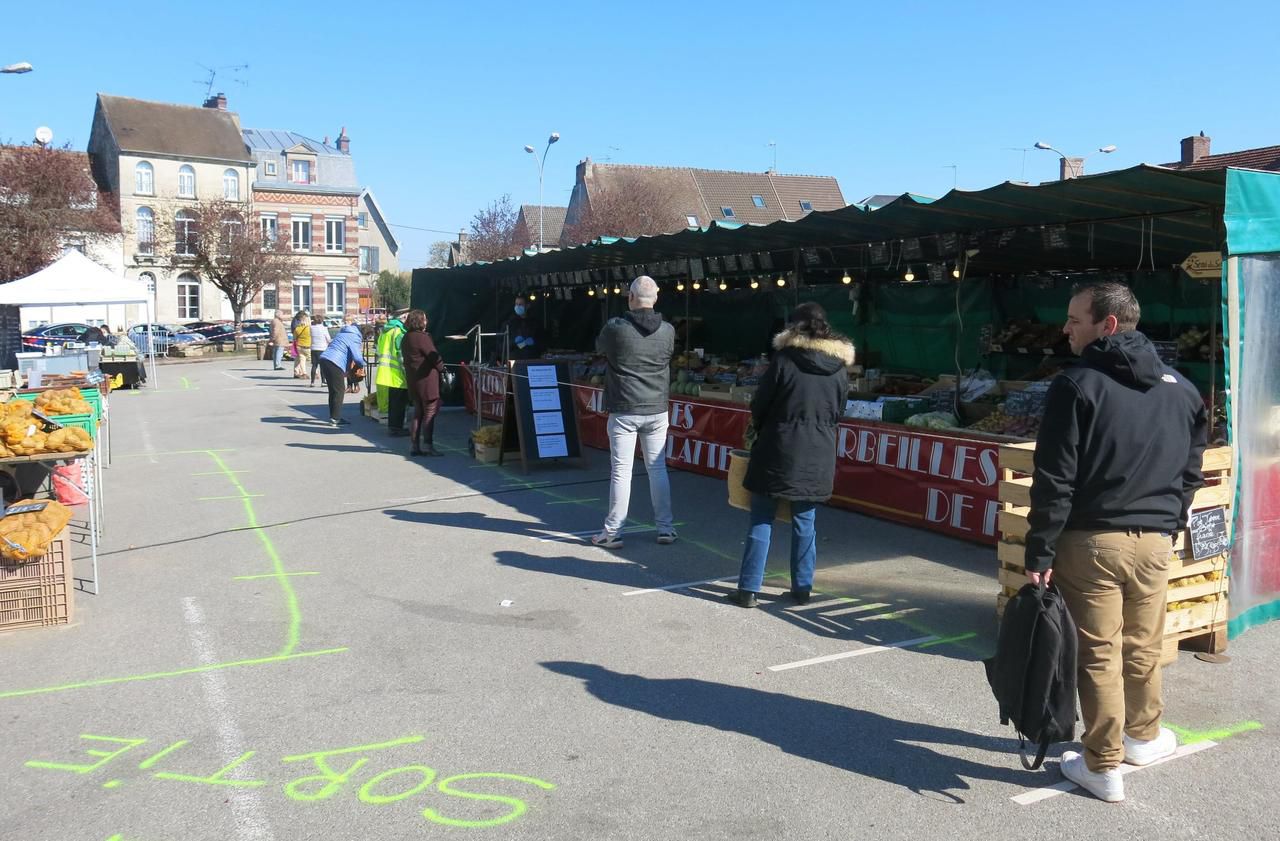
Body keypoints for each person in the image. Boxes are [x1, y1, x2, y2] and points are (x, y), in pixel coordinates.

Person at [1024, 281, 1207, 803]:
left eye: (1074, 319)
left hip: (1092, 543)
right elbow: (1191, 470)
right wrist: (1169, 520)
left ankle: (1103, 764)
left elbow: (1054, 478)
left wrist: (1038, 551)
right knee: (1143, 644)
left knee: (1099, 653)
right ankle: (1143, 737)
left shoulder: (1076, 385)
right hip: (1155, 542)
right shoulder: (1183, 388)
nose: (1065, 328)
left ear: (1107, 324)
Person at [726, 302, 853, 608]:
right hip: (818, 451)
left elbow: (760, 405)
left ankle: (748, 590)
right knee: (805, 522)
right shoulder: (839, 369)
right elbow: (839, 411)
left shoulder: (783, 361)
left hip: (778, 447)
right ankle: (802, 588)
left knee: (761, 518)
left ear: (794, 328)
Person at [590, 276, 677, 549]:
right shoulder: (668, 330)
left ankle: (613, 531)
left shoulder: (615, 328)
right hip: (656, 408)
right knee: (657, 469)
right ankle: (666, 528)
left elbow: (598, 348)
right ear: (656, 297)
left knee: (621, 471)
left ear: (630, 297)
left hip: (624, 408)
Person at [401, 309, 447, 457]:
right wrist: (443, 369)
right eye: (425, 319)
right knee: (430, 412)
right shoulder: (422, 338)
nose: (426, 321)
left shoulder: (406, 338)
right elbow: (434, 357)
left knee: (418, 413)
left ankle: (414, 446)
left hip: (413, 380)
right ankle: (428, 445)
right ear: (420, 321)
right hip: (427, 381)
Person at [318, 316, 367, 426]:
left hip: (325, 359)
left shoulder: (342, 333)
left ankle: (333, 416)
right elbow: (357, 357)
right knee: (339, 390)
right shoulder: (355, 337)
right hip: (334, 362)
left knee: (333, 390)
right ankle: (335, 418)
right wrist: (363, 365)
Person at [376, 313, 409, 436]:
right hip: (397, 373)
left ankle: (393, 427)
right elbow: (401, 355)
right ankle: (397, 428)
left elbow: (378, 349)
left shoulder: (385, 330)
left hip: (386, 371)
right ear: (402, 318)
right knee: (399, 403)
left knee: (393, 402)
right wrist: (407, 372)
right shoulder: (399, 332)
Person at [504, 295, 541, 361]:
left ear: (528, 306)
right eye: (516, 304)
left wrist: (534, 342)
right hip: (515, 359)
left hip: (532, 358)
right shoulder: (509, 323)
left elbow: (541, 342)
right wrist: (513, 342)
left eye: (520, 304)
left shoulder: (535, 322)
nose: (518, 307)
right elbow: (502, 344)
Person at [309, 315, 330, 387]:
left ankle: (312, 382)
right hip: (322, 348)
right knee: (322, 366)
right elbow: (328, 339)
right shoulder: (324, 328)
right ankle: (323, 381)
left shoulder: (311, 328)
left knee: (314, 365)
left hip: (314, 348)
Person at [292, 310, 312, 379]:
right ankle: (315, 372)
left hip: (299, 346)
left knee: (302, 360)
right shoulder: (309, 328)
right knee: (311, 360)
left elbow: (294, 338)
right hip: (308, 346)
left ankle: (304, 373)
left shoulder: (297, 329)